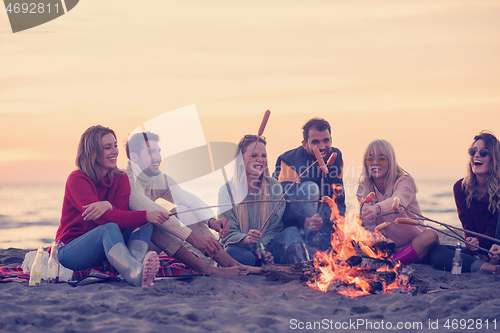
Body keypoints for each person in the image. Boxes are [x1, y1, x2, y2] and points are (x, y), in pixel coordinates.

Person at [56, 125, 168, 287]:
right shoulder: (77, 179)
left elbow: (121, 217)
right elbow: (103, 219)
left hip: (103, 249)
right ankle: (134, 272)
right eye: (107, 147)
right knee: (110, 227)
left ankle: (134, 268)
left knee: (144, 224)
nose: (115, 151)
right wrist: (145, 214)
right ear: (92, 152)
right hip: (70, 251)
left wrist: (109, 205)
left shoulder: (120, 177)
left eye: (115, 145)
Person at [125, 132, 249, 276]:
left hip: (148, 244)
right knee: (155, 224)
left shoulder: (156, 177)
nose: (158, 157)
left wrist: (211, 221)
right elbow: (156, 214)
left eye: (158, 151)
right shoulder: (128, 181)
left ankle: (232, 264)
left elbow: (187, 199)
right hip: (128, 249)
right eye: (151, 152)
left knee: (186, 212)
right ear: (134, 157)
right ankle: (206, 269)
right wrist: (194, 239)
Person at [219, 135, 308, 266]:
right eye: (254, 155)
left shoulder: (275, 186)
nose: (260, 160)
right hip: (241, 250)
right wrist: (248, 240)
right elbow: (227, 234)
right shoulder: (226, 190)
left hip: (267, 248)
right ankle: (256, 263)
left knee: (292, 232)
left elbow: (275, 228)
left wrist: (262, 248)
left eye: (263, 156)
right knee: (231, 253)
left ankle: (304, 269)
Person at [357, 139, 439, 264]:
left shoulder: (405, 181)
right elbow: (369, 226)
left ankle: (391, 263)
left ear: (391, 161)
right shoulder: (363, 188)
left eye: (381, 159)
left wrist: (376, 209)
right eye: (369, 159)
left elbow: (398, 203)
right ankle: (392, 260)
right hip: (389, 246)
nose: (375, 163)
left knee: (431, 235)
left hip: (416, 242)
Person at [430, 131, 500, 274]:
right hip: (480, 252)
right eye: (472, 151)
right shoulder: (460, 188)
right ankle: (485, 266)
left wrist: (480, 243)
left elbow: (494, 229)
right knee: (437, 252)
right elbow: (467, 228)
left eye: (483, 152)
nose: (476, 155)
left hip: (497, 246)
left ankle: (488, 263)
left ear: (495, 158)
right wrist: (472, 244)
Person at [273, 118, 345, 252]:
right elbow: (282, 205)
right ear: (305, 144)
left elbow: (339, 197)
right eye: (315, 142)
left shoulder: (336, 157)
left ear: (331, 140)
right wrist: (305, 220)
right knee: (311, 188)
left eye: (326, 140)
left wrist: (340, 227)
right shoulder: (288, 161)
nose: (322, 146)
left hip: (323, 223)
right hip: (296, 226)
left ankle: (323, 251)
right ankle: (308, 249)